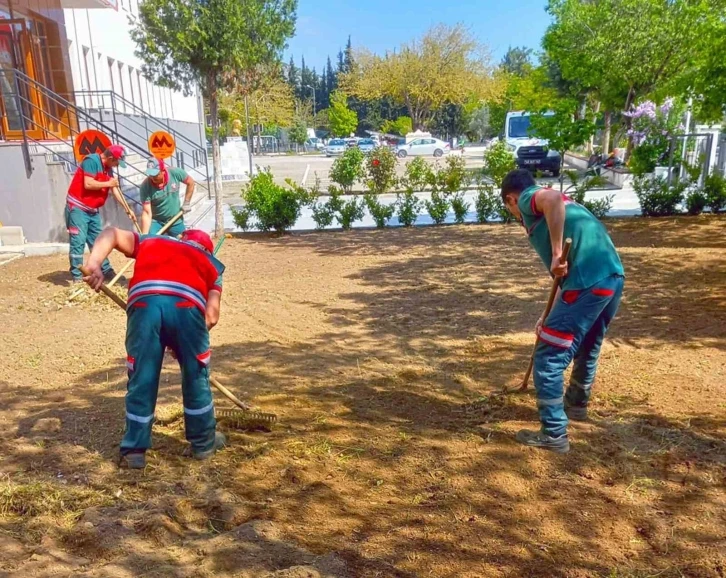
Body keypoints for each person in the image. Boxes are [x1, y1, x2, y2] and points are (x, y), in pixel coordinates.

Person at [500, 169, 624, 453]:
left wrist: (556, 253)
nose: (515, 216)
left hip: (587, 282)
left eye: (510, 209)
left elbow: (552, 198)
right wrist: (549, 315)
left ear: (510, 199)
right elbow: (563, 279)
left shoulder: (529, 198)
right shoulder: (571, 207)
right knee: (587, 344)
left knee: (548, 355)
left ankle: (554, 433)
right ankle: (576, 406)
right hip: (610, 277)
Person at [83, 227, 226, 468]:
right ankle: (203, 443)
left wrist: (95, 262)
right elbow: (210, 316)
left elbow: (113, 234)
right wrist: (183, 343)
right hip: (187, 308)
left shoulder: (154, 241)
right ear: (208, 251)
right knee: (196, 376)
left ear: (181, 239)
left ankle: (134, 452)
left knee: (142, 376)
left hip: (144, 305)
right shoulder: (213, 266)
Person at [66, 145, 132, 283]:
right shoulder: (91, 161)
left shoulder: (108, 169)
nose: (117, 165)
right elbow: (88, 184)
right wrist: (109, 183)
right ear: (110, 158)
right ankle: (77, 275)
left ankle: (105, 269)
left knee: (99, 241)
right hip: (78, 207)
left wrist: (127, 209)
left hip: (92, 209)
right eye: (116, 162)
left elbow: (115, 189)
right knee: (78, 240)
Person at [139, 158, 196, 237]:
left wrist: (186, 202)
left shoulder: (175, 173)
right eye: (151, 175)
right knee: (152, 242)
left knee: (184, 242)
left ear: (163, 171)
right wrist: (144, 236)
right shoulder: (145, 186)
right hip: (156, 222)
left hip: (175, 219)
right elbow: (146, 212)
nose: (153, 177)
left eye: (156, 174)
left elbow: (191, 182)